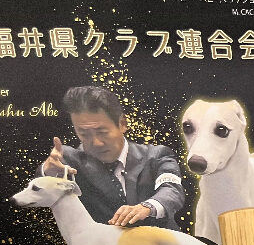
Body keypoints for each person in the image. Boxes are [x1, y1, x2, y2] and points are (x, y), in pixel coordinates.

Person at [40, 86, 185, 230]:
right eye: (84, 134)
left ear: (122, 124)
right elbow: (39, 187)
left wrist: (147, 207)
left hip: (162, 242)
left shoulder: (157, 155)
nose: (96, 143)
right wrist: (47, 171)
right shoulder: (68, 160)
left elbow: (172, 190)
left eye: (102, 132)